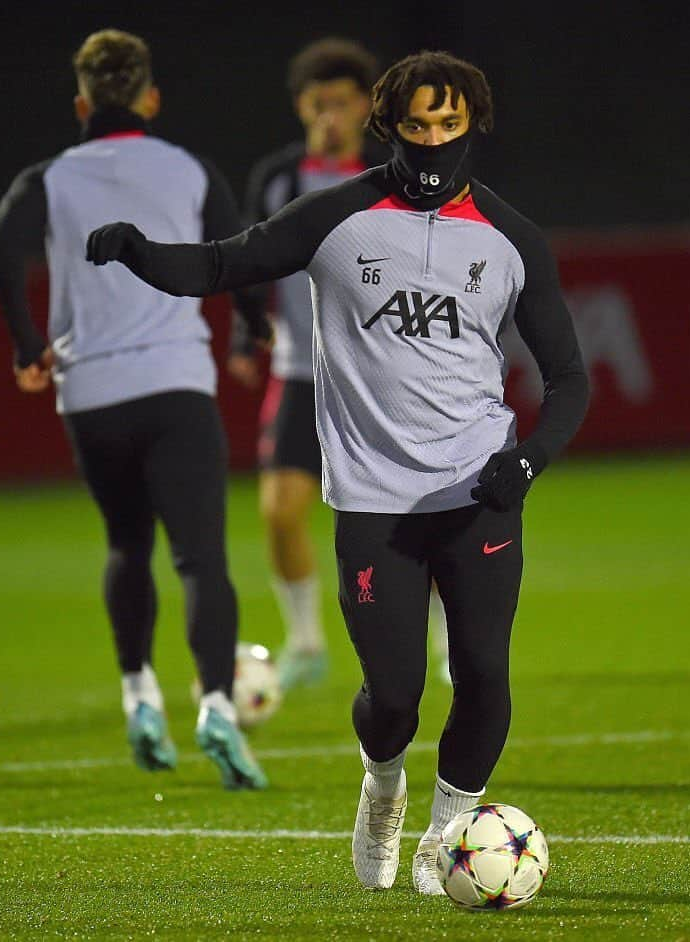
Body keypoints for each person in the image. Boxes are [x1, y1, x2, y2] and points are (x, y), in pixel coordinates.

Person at [85, 49, 590, 891]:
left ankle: (444, 835)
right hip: (373, 500)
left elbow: (569, 378)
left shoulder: (513, 240)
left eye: (450, 125)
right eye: (418, 125)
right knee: (391, 697)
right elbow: (220, 263)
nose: (433, 141)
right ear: (388, 125)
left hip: (480, 490)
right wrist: (141, 252)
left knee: (484, 673)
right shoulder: (336, 217)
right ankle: (383, 788)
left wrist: (529, 460)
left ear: (473, 126)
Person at [0, 28, 269, 791]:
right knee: (201, 557)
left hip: (93, 393)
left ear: (82, 102)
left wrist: (26, 346)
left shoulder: (49, 176)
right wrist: (253, 324)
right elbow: (239, 252)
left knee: (125, 546)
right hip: (176, 382)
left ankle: (138, 693)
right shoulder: (188, 168)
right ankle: (215, 706)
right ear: (150, 98)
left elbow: (0, 244)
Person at [227, 37, 452, 690]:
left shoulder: (393, 177)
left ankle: (447, 644)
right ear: (302, 108)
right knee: (279, 511)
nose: (330, 115)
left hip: (383, 373)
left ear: (364, 109)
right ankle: (304, 642)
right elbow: (250, 257)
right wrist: (248, 334)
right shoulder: (278, 178)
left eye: (342, 103)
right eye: (318, 103)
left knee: (422, 516)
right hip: (302, 371)